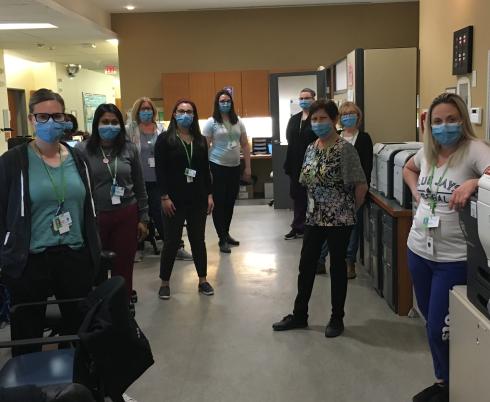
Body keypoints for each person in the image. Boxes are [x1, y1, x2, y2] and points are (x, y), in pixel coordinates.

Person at [403, 93, 490, 402]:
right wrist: (416, 192)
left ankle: (456, 387)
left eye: (451, 119)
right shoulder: (427, 152)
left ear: (462, 120)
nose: (444, 127)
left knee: (442, 327)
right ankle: (443, 382)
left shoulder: (474, 150)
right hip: (418, 249)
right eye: (437, 122)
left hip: (454, 258)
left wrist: (475, 183)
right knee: (431, 323)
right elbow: (408, 169)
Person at [0, 88, 100, 356]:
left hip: (74, 255)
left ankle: (79, 388)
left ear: (66, 119)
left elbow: (86, 207)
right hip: (31, 259)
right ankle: (28, 388)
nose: (51, 122)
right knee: (28, 333)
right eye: (43, 117)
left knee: (80, 331)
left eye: (57, 116)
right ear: (32, 120)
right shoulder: (13, 161)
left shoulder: (77, 158)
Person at [273, 99, 368, 338]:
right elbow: (307, 181)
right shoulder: (311, 147)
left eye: (323, 118)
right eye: (314, 119)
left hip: (339, 219)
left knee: (337, 268)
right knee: (306, 266)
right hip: (314, 217)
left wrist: (349, 210)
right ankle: (299, 315)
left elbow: (360, 185)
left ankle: (337, 318)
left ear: (334, 120)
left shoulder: (345, 149)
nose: (318, 123)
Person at [77, 103, 149, 301]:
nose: (110, 126)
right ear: (96, 124)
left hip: (126, 213)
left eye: (114, 122)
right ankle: (100, 307)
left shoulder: (129, 149)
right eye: (105, 122)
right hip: (96, 216)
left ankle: (122, 305)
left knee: (124, 264)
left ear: (121, 125)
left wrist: (143, 217)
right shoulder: (83, 150)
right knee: (96, 265)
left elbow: (139, 184)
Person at [155, 99, 214, 300]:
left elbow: (206, 170)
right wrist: (164, 196)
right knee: (171, 241)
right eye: (181, 111)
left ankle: (203, 280)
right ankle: (165, 282)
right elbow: (160, 171)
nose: (185, 115)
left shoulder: (199, 140)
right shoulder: (164, 139)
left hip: (197, 198)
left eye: (189, 111)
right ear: (174, 114)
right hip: (173, 199)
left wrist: (209, 194)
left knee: (198, 240)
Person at [127, 97, 192, 262]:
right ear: (137, 112)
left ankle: (176, 247)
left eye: (149, 109)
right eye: (143, 109)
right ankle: (138, 248)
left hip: (158, 180)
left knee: (163, 214)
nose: (146, 112)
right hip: (138, 181)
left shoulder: (161, 130)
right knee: (138, 216)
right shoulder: (130, 130)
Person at [317, 101, 373, 278]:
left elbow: (367, 166)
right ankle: (320, 260)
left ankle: (349, 262)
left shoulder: (364, 138)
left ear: (358, 117)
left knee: (353, 229)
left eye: (352, 114)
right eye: (345, 114)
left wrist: (361, 192)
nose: (349, 117)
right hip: (333, 192)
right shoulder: (336, 137)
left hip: (355, 190)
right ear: (339, 118)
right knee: (330, 228)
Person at [203, 89, 251, 254]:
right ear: (217, 104)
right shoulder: (211, 123)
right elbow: (204, 146)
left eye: (228, 101)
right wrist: (205, 169)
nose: (225, 104)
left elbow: (245, 144)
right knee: (219, 204)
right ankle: (221, 238)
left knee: (230, 203)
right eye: (222, 101)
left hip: (234, 167)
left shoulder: (238, 121)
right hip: (217, 166)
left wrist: (248, 166)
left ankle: (226, 233)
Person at [283, 88, 317, 240]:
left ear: (314, 99)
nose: (303, 100)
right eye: (301, 98)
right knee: (297, 196)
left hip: (313, 164)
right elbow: (289, 139)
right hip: (295, 164)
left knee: (312, 196)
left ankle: (312, 226)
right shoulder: (294, 119)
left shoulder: (317, 118)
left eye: (307, 97)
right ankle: (298, 226)